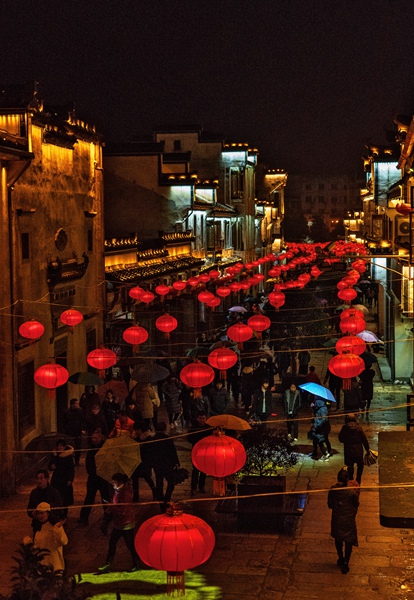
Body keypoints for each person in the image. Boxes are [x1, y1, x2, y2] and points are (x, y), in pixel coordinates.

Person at [98, 473, 141, 574]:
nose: (113, 484)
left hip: (126, 523)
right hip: (118, 523)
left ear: (120, 482)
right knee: (112, 542)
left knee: (130, 544)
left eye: (114, 482)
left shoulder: (125, 493)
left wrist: (111, 507)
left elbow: (123, 511)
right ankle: (108, 564)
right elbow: (116, 505)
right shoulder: (118, 491)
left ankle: (137, 563)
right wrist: (110, 508)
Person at [328, 467, 360, 574]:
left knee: (338, 538)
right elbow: (356, 504)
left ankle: (340, 557)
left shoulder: (333, 490)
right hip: (348, 519)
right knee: (348, 540)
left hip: (337, 517)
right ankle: (346, 562)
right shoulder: (352, 492)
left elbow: (330, 504)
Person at [78, 428, 111, 525]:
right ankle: (84, 517)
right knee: (89, 497)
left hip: (102, 477)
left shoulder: (105, 448)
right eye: (93, 438)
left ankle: (108, 515)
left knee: (105, 498)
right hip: (93, 477)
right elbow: (89, 463)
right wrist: (91, 472)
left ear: (100, 437)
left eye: (96, 438)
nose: (94, 439)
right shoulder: (91, 448)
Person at [26, 502, 68, 574]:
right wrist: (28, 543)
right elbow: (38, 548)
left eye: (42, 513)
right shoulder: (39, 528)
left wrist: (58, 529)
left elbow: (63, 541)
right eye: (38, 513)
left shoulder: (55, 526)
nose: (40, 516)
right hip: (42, 567)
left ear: (48, 513)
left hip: (54, 566)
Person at [150, 422, 180, 511]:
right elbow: (173, 452)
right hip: (167, 465)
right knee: (171, 483)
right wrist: (176, 463)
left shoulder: (153, 439)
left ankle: (161, 502)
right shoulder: (168, 439)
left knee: (159, 484)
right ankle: (166, 500)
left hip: (157, 465)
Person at [338, 414, 370, 484]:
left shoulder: (345, 428)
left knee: (350, 465)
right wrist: (367, 449)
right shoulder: (358, 428)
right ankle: (358, 479)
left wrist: (346, 441)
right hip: (358, 450)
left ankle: (351, 478)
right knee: (360, 465)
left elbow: (340, 438)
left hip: (348, 450)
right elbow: (364, 439)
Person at [131, 422, 157, 503]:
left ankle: (155, 493)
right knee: (135, 478)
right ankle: (136, 497)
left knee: (147, 477)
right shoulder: (137, 438)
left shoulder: (148, 438)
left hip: (145, 462)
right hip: (137, 461)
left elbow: (149, 451)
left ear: (139, 430)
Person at [48, 439, 75, 518]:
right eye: (58, 446)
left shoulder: (68, 456)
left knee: (65, 498)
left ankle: (64, 515)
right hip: (56, 479)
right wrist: (52, 466)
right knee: (55, 497)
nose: (59, 447)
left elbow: (71, 468)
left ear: (64, 447)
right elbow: (51, 465)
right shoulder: (54, 455)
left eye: (61, 446)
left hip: (64, 479)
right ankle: (56, 514)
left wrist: (70, 479)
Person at [188, 411, 211, 495]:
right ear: (197, 418)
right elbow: (189, 439)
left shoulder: (208, 428)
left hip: (205, 452)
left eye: (203, 418)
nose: (202, 420)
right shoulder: (193, 428)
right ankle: (193, 488)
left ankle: (201, 487)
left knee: (204, 470)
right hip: (196, 451)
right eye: (200, 418)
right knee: (195, 470)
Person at [62, 398, 84, 466]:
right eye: (76, 404)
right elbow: (64, 422)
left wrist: (82, 429)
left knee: (78, 447)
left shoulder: (80, 411)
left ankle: (77, 460)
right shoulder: (67, 412)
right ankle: (69, 460)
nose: (77, 405)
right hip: (69, 432)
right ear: (72, 405)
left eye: (78, 404)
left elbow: (82, 421)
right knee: (69, 447)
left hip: (77, 432)